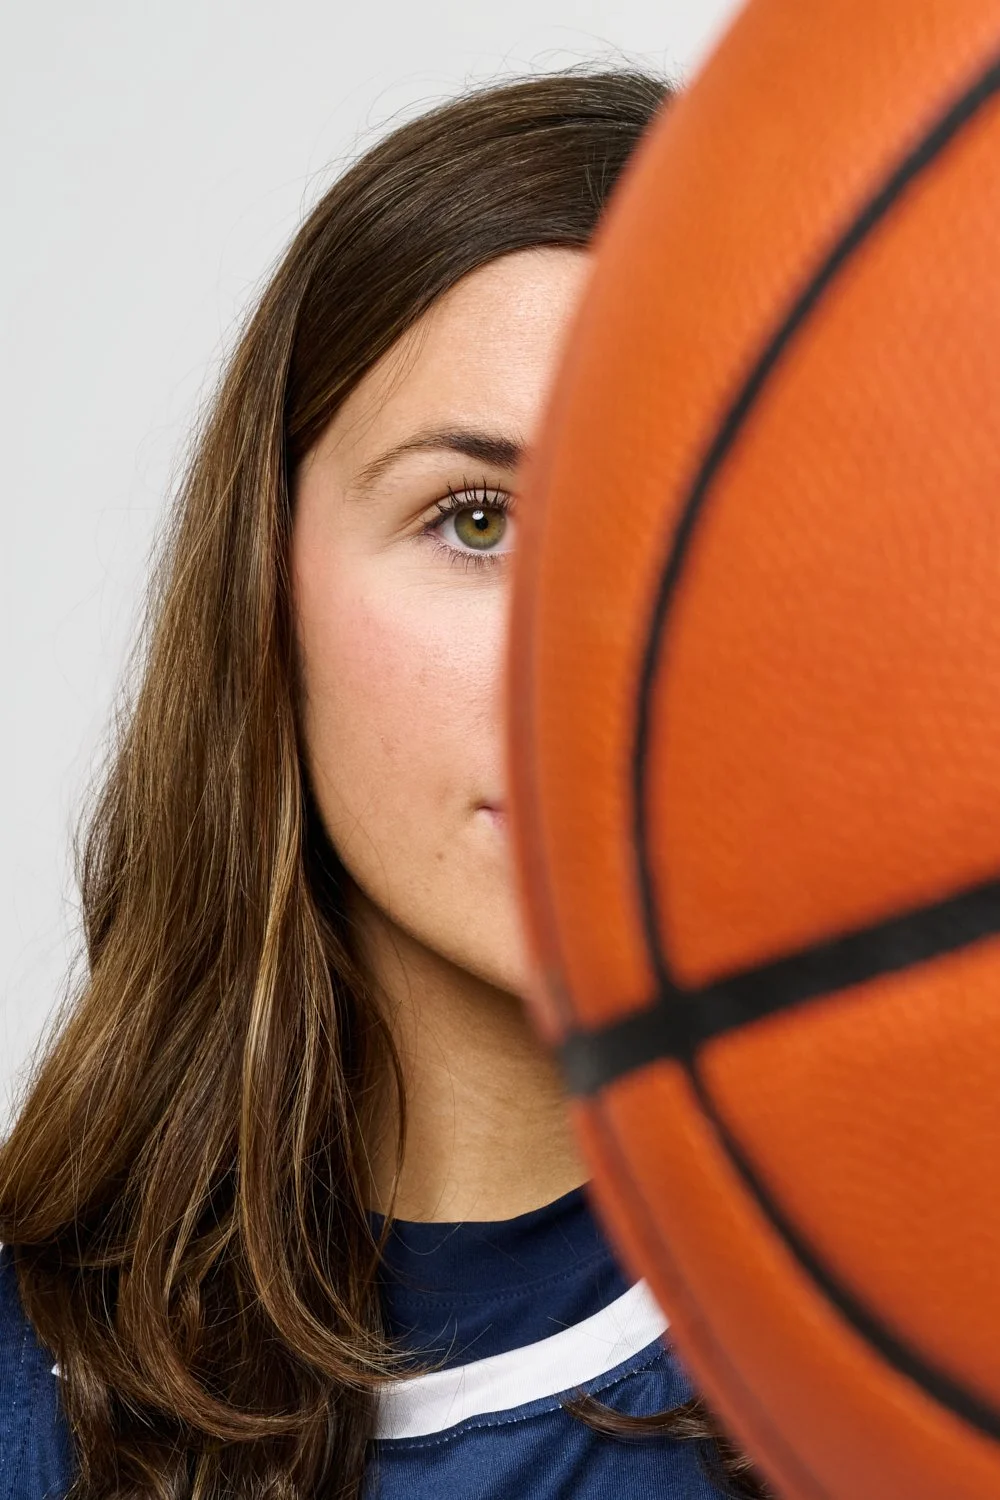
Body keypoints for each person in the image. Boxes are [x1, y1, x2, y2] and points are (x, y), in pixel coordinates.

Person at [0, 65, 773, 1500]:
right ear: (266, 597)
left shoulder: (927, 1350)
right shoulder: (23, 1397)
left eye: (683, 519)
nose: (582, 654)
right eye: (476, 518)